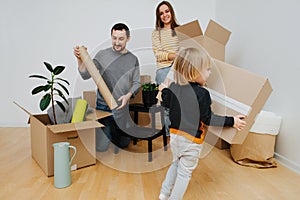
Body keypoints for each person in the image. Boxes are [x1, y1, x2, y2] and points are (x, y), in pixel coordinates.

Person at [158, 47, 246, 200]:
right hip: (192, 141)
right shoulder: (202, 94)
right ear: (194, 71)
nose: (210, 73)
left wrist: (164, 90)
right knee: (184, 173)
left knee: (175, 163)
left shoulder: (173, 88)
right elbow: (208, 119)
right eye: (207, 69)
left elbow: (165, 100)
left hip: (175, 136)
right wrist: (232, 121)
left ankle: (164, 193)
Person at [73, 23, 140, 152]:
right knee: (101, 148)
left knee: (124, 144)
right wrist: (80, 59)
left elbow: (136, 83)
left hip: (122, 108)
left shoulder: (133, 59)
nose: (117, 42)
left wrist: (128, 96)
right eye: (114, 38)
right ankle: (107, 134)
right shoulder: (102, 55)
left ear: (128, 38)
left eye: (121, 39)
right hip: (104, 108)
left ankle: (116, 134)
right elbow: (85, 75)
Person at [152, 1, 180, 136]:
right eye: (161, 13)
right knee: (167, 105)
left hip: (179, 70)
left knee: (181, 103)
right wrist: (173, 55)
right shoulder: (156, 34)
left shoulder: (180, 30)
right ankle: (169, 136)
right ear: (159, 16)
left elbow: (186, 50)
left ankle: (181, 135)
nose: (165, 15)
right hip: (163, 71)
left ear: (171, 12)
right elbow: (158, 54)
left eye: (167, 11)